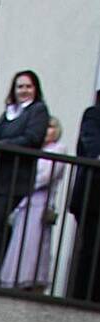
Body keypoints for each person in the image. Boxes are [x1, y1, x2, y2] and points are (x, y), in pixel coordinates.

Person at [0, 71, 51, 285]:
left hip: (14, 180)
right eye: (19, 87)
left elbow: (32, 138)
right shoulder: (11, 112)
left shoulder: (37, 110)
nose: (23, 91)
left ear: (35, 89)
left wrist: (0, 147)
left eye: (28, 86)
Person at [0, 116, 69, 289]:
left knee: (34, 244)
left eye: (51, 127)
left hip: (40, 201)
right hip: (24, 201)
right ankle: (12, 280)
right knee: (18, 243)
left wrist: (23, 182)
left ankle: (30, 282)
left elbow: (44, 175)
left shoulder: (58, 149)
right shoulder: (36, 149)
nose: (47, 131)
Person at [69, 90, 100, 306]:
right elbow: (93, 148)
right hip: (93, 195)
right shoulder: (94, 114)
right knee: (91, 248)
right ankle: (83, 300)